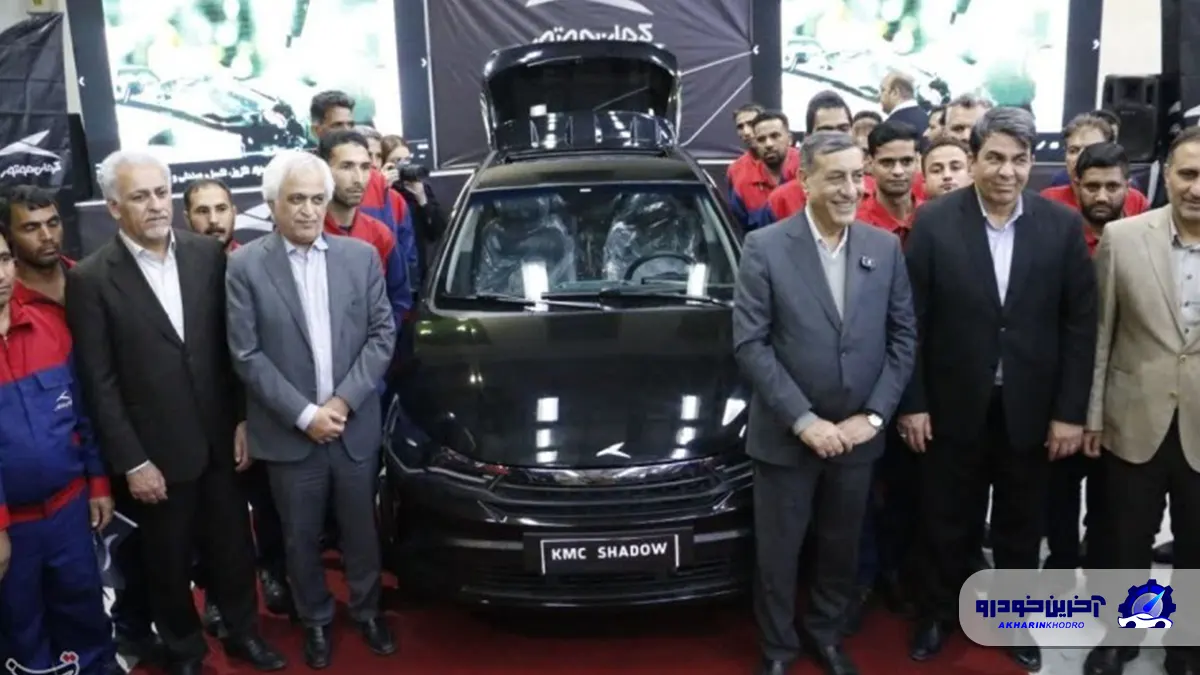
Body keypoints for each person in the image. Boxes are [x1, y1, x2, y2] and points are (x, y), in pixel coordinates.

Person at [65, 151, 285, 675]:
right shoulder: (91, 279)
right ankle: (185, 651)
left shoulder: (207, 255)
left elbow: (231, 350)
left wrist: (242, 419)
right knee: (165, 563)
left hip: (220, 441)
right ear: (114, 208)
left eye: (161, 192)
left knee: (234, 550)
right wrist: (133, 461)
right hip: (155, 457)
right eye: (140, 196)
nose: (156, 205)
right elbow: (99, 382)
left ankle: (243, 632)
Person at [898, 107, 1097, 672]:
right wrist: (913, 403)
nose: (1007, 171)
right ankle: (937, 613)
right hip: (950, 405)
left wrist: (1070, 413)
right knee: (945, 519)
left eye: (1020, 159)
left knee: (1020, 524)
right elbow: (910, 322)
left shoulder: (1061, 226)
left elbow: (1079, 326)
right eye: (995, 158)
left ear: (1033, 163)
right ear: (975, 159)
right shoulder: (935, 222)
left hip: (1030, 409)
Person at [733, 131, 917, 675]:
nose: (851, 189)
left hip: (858, 439)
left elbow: (903, 338)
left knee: (841, 548)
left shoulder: (884, 248)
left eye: (857, 176)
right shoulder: (765, 247)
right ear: (805, 180)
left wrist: (874, 417)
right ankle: (778, 648)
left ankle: (826, 632)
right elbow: (750, 344)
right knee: (779, 553)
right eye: (836, 177)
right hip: (786, 437)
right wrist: (803, 420)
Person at [226, 151, 397, 668]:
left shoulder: (360, 258)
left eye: (316, 199)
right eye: (296, 199)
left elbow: (382, 334)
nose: (307, 210)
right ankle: (316, 619)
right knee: (298, 537)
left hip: (352, 426)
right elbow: (246, 354)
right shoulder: (245, 266)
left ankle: (367, 609)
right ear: (272, 204)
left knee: (361, 530)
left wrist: (341, 404)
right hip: (289, 433)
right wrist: (306, 415)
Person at [1082, 126, 1200, 675]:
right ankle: (1125, 633)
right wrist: (1091, 416)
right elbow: (1101, 334)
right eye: (1188, 174)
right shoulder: (1124, 238)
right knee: (1127, 539)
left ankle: (1186, 643)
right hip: (1133, 417)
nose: (1197, 187)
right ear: (1166, 176)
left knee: (1196, 544)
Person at [0, 227, 117, 675]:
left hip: (70, 512)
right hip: (13, 529)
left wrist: (99, 483)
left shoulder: (50, 326)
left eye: (4, 260)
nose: (0, 274)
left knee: (85, 613)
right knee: (19, 628)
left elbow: (82, 415)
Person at [181, 178, 295, 625]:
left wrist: (250, 415)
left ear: (234, 212)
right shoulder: (177, 273)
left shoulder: (258, 263)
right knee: (210, 513)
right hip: (204, 416)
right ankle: (213, 590)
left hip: (262, 409)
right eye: (202, 211)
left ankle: (274, 573)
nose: (214, 221)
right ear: (187, 218)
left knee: (269, 504)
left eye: (221, 209)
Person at [749, 92, 853, 229]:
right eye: (825, 131)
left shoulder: (874, 191)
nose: (836, 139)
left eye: (843, 129)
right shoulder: (781, 201)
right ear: (808, 138)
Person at [1, 186, 72, 312]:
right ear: (8, 235)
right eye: (31, 228)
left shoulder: (90, 277)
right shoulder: (6, 298)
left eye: (53, 224)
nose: (47, 236)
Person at [728, 110, 800, 230]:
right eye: (761, 139)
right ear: (755, 144)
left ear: (790, 138)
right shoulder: (742, 185)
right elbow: (740, 231)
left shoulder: (811, 171)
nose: (768, 144)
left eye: (775, 136)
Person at [856, 121, 925, 245]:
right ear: (870, 163)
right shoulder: (855, 224)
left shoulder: (933, 217)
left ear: (917, 161)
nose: (898, 171)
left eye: (906, 161)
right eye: (887, 163)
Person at [879, 71, 929, 137]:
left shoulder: (890, 127)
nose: (879, 96)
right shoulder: (928, 120)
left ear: (895, 92)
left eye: (883, 90)